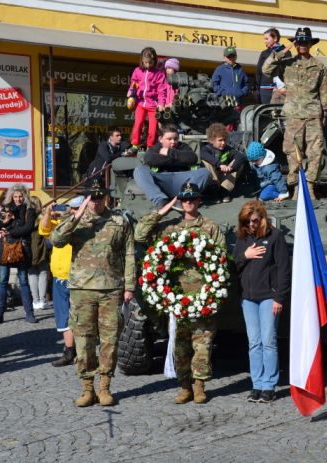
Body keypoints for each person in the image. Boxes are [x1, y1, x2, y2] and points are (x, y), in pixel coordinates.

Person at [134, 181, 225, 404]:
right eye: (184, 199)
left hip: (203, 296)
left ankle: (200, 386)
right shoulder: (171, 227)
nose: (188, 203)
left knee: (202, 345)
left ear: (199, 201)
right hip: (177, 297)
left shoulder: (210, 227)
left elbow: (221, 258)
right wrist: (162, 211)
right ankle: (184, 386)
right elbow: (140, 235)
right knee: (180, 346)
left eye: (192, 199)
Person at [51, 181, 135, 407]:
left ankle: (105, 387)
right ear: (86, 198)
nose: (96, 201)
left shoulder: (119, 221)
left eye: (99, 197)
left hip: (111, 289)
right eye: (91, 197)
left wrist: (129, 286)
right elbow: (56, 240)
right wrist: (77, 216)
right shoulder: (76, 221)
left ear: (106, 197)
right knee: (84, 340)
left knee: (109, 341)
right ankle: (87, 388)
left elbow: (129, 254)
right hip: (82, 289)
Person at [263, 27, 327, 199]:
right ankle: (295, 188)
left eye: (305, 42)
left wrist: (326, 113)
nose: (302, 45)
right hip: (293, 116)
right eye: (298, 41)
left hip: (313, 115)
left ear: (310, 44)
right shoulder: (287, 63)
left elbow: (324, 92)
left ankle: (309, 187)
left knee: (315, 152)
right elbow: (266, 70)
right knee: (293, 152)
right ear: (295, 43)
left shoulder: (319, 66)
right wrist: (283, 50)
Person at [232, 200, 290, 403]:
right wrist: (244, 255)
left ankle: (269, 385)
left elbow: (284, 269)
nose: (251, 224)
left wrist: (279, 297)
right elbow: (235, 264)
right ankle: (256, 384)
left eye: (254, 220)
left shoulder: (274, 236)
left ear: (262, 218)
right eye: (247, 221)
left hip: (268, 297)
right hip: (248, 298)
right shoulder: (243, 237)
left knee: (268, 342)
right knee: (254, 343)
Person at [39, 196, 85, 367]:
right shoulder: (62, 223)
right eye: (71, 208)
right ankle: (69, 351)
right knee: (63, 318)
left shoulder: (85, 225)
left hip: (78, 279)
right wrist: (48, 212)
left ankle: (83, 351)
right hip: (59, 278)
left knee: (81, 317)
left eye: (76, 208)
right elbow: (44, 230)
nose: (73, 212)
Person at [0, 183, 38, 325]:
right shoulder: (6, 209)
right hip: (5, 248)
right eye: (15, 196)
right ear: (11, 197)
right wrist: (5, 220)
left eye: (20, 196)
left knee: (23, 281)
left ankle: (29, 313)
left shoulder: (30, 210)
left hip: (21, 248)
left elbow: (27, 228)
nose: (18, 199)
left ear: (25, 196)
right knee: (3, 281)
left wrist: (10, 231)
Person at [132, 124, 210, 209]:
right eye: (169, 139)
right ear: (160, 139)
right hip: (162, 180)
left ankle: (185, 200)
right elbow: (149, 159)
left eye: (175, 139)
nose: (173, 142)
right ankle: (161, 201)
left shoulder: (183, 146)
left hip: (182, 182)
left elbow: (192, 158)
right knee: (139, 170)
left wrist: (169, 153)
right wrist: (178, 158)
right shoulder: (156, 148)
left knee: (204, 172)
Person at [128, 47, 168, 150]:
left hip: (153, 104)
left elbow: (161, 90)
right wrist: (131, 93)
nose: (148, 65)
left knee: (153, 126)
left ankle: (150, 146)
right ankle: (135, 144)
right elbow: (134, 84)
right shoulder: (137, 71)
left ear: (154, 61)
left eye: (150, 63)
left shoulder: (159, 74)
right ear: (142, 60)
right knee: (138, 123)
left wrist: (161, 103)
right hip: (140, 102)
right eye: (145, 62)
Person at [200, 122, 247, 202]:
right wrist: (220, 165)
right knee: (206, 162)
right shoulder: (207, 149)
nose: (223, 143)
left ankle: (225, 191)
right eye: (220, 140)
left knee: (239, 163)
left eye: (225, 140)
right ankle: (214, 191)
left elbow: (241, 156)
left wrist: (231, 168)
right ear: (212, 140)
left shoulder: (227, 149)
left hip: (225, 176)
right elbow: (203, 154)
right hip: (214, 177)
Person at [256, 28, 290, 104]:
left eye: (267, 38)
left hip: (280, 89)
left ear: (275, 38)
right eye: (264, 39)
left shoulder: (286, 52)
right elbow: (259, 71)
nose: (265, 41)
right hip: (265, 88)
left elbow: (287, 71)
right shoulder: (264, 53)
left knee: (277, 113)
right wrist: (258, 87)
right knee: (265, 112)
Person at [28, 196, 50, 310]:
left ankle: (35, 301)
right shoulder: (42, 217)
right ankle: (42, 300)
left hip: (29, 248)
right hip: (42, 248)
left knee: (32, 274)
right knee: (43, 273)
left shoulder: (26, 218)